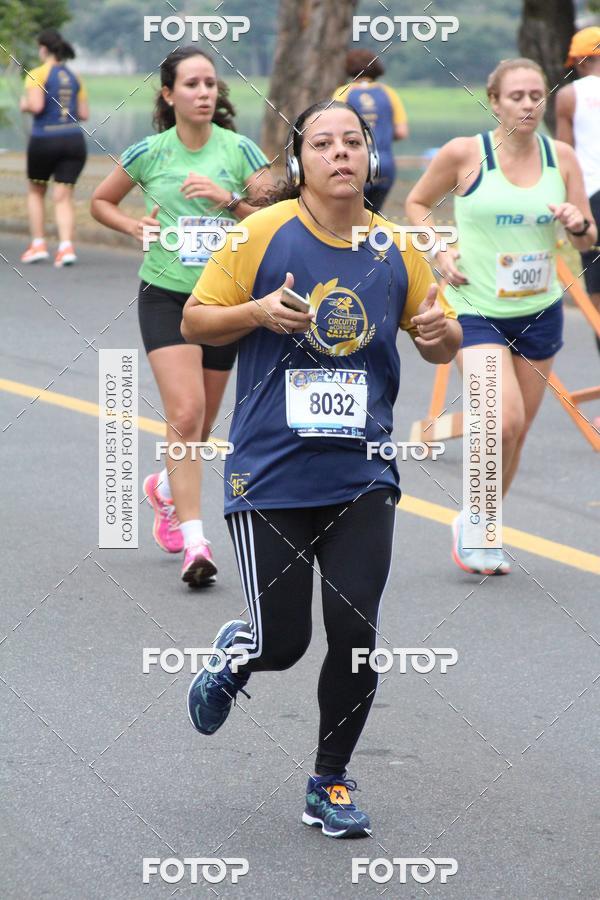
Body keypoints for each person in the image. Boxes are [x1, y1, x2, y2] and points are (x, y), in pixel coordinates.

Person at [182, 101, 461, 836]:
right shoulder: (261, 234)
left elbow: (440, 335)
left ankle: (329, 781)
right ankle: (239, 655)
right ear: (299, 161)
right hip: (269, 470)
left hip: (362, 471)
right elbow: (196, 320)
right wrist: (258, 312)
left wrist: (440, 332)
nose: (341, 153)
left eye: (353, 142)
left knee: (355, 630)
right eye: (323, 143)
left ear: (370, 157)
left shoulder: (397, 246)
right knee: (285, 642)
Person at [406, 58, 597, 576]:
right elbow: (418, 203)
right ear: (494, 101)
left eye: (537, 94)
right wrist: (439, 249)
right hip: (477, 310)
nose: (530, 104)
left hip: (540, 311)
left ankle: (480, 521)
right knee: (501, 420)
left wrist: (578, 223)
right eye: (517, 96)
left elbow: (587, 237)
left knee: (516, 431)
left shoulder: (562, 159)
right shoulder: (467, 154)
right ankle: (481, 526)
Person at [91, 47, 272, 586]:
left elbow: (278, 218)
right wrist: (133, 228)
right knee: (186, 412)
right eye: (191, 84)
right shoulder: (150, 152)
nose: (203, 92)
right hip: (167, 296)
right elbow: (102, 201)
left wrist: (230, 201)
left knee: (202, 422)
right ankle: (197, 543)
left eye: (210, 84)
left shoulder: (240, 152)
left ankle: (165, 490)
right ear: (168, 95)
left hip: (223, 304)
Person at [19, 28, 88, 268]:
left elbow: (36, 106)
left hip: (44, 139)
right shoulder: (74, 76)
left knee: (36, 191)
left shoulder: (37, 73)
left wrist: (24, 104)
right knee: (64, 195)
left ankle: (38, 244)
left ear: (44, 49)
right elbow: (84, 113)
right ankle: (66, 247)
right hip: (74, 140)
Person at [556, 27, 600, 361]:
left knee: (598, 297)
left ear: (581, 60)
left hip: (592, 195)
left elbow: (563, 152)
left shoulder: (569, 95)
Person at [332, 48, 409, 213]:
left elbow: (332, 129)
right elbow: (402, 132)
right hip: (385, 164)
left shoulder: (343, 93)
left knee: (349, 217)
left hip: (354, 165)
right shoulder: (389, 93)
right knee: (374, 216)